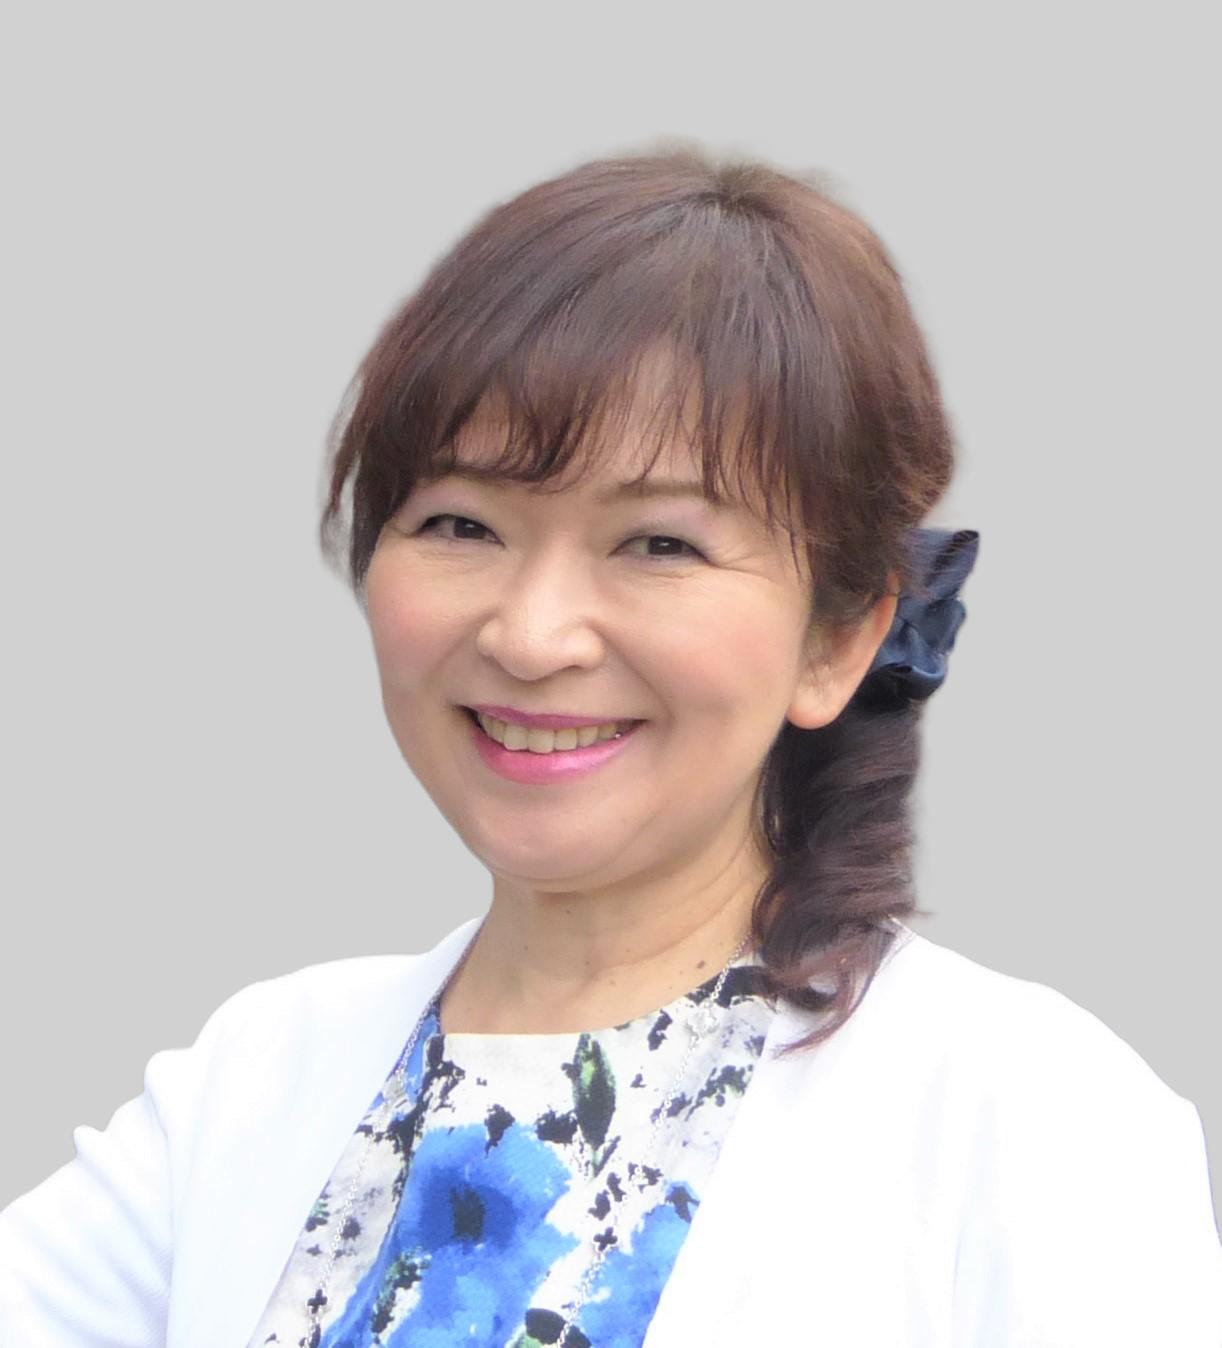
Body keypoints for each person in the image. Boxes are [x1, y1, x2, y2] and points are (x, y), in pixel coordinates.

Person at [1, 145, 1219, 1348]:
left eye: (659, 544)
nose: (531, 637)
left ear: (838, 638)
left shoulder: (1032, 1119)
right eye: (461, 524)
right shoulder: (255, 1080)